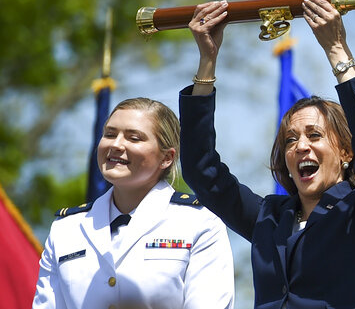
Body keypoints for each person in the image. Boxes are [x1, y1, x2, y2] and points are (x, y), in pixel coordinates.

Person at [179, 0, 355, 309]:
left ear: (345, 151)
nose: (300, 145)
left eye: (314, 135)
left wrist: (336, 50)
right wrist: (207, 60)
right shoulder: (270, 217)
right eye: (290, 140)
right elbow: (200, 170)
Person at [32, 98, 235, 309]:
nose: (116, 144)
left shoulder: (200, 222)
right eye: (110, 134)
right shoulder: (66, 228)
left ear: (167, 158)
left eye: (134, 138)